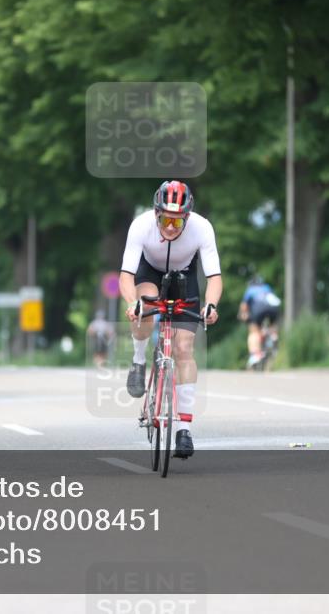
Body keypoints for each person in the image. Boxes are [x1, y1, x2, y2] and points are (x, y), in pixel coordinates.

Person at [120, 180, 221, 460]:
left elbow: (214, 277)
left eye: (177, 223)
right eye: (165, 219)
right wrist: (132, 304)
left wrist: (211, 305)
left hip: (184, 277)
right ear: (156, 214)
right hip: (149, 273)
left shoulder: (203, 228)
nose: (169, 227)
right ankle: (139, 360)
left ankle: (184, 429)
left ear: (187, 218)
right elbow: (126, 275)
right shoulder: (140, 225)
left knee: (184, 348)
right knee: (145, 305)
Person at [238, 275, 280, 368]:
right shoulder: (267, 287)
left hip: (259, 309)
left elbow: (244, 307)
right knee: (272, 324)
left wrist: (243, 315)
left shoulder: (250, 290)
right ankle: (273, 336)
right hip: (274, 307)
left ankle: (255, 354)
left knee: (254, 331)